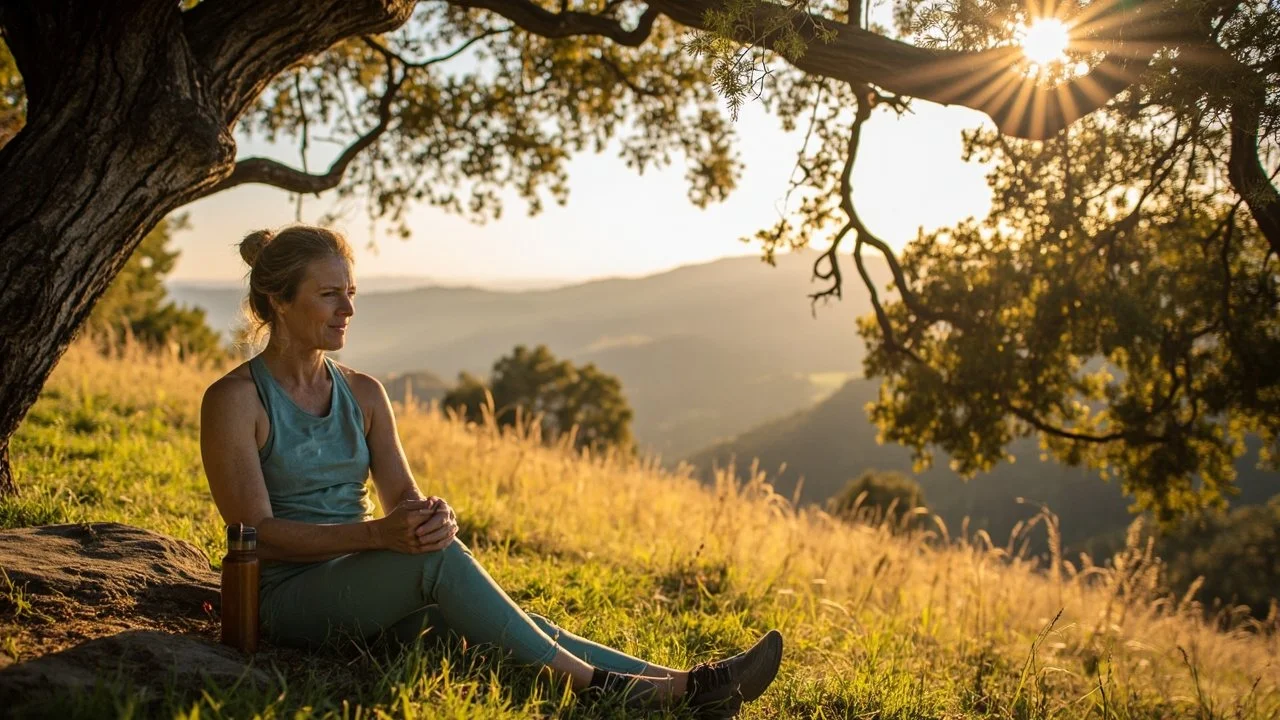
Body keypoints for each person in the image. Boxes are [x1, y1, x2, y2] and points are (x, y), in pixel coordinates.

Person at [198, 225, 783, 717]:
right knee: (442, 570)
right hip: (287, 601)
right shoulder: (237, 400)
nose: (348, 309)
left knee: (505, 623)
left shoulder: (365, 393)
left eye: (351, 293)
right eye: (330, 295)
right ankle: (606, 691)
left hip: (366, 586)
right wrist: (380, 536)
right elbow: (257, 536)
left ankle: (690, 688)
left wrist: (427, 519)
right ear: (278, 299)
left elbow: (403, 498)